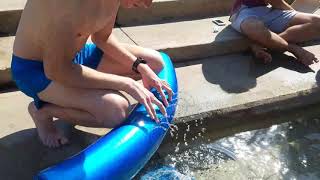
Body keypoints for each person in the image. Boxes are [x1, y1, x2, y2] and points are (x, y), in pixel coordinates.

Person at [11, 0, 173, 148]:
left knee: (154, 62)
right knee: (116, 110)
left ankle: (76, 101)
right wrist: (126, 84)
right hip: (36, 71)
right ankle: (43, 112)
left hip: (73, 56)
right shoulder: (70, 6)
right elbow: (57, 70)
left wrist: (139, 65)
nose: (147, 4)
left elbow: (103, 37)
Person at [230, 0, 320, 65]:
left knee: (317, 22)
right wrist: (296, 49)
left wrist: (294, 16)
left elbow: (278, 3)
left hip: (267, 10)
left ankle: (259, 43)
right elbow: (277, 3)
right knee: (254, 27)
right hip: (244, 12)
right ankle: (292, 47)